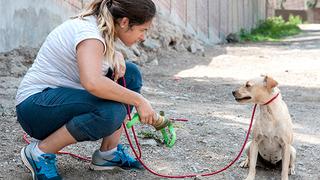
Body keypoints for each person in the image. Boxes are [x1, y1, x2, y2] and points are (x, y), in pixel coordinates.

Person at [15, 0, 157, 179]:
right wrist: (139, 100)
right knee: (110, 111)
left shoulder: (99, 28)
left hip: (56, 101)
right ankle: (39, 152)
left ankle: (108, 154)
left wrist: (115, 53)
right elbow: (92, 83)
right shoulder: (90, 34)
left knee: (130, 75)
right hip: (35, 108)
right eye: (143, 30)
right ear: (124, 22)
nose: (143, 37)